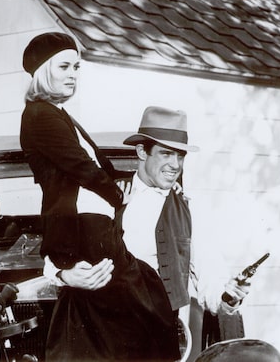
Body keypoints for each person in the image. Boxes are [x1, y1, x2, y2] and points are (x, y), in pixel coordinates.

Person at [20, 33, 181, 362]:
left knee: (143, 296)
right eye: (64, 66)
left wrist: (145, 185)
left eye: (76, 67)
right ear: (43, 72)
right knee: (140, 300)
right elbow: (82, 167)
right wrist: (119, 196)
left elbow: (98, 167)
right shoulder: (39, 115)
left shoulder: (59, 115)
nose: (73, 74)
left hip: (98, 226)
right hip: (82, 227)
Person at [45, 106, 251, 354]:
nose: (175, 165)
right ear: (142, 152)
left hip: (158, 339)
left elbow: (210, 281)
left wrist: (230, 295)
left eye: (180, 156)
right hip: (102, 338)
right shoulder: (108, 193)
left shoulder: (189, 210)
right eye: (166, 154)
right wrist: (64, 275)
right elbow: (59, 251)